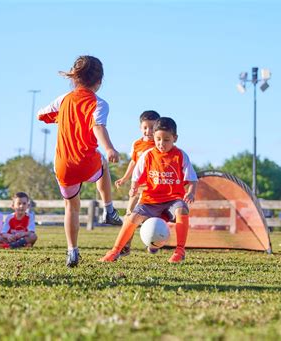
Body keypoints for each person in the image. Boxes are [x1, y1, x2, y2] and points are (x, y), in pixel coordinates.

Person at [37, 55, 122, 267]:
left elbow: (41, 115)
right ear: (100, 81)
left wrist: (60, 117)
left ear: (75, 78)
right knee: (102, 162)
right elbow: (98, 126)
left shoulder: (63, 99)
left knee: (71, 207)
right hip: (86, 161)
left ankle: (72, 252)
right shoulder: (99, 104)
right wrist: (109, 147)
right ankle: (108, 209)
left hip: (64, 165)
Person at [100, 117, 198, 264]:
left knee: (182, 210)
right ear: (154, 137)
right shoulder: (148, 155)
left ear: (175, 138)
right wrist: (133, 187)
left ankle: (180, 251)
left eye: (166, 140)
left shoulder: (181, 156)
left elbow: (192, 179)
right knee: (132, 218)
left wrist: (190, 192)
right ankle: (115, 251)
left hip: (173, 199)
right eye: (158, 139)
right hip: (150, 200)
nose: (161, 143)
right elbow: (136, 175)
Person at [114, 110, 160, 256]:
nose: (149, 131)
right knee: (129, 216)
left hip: (153, 189)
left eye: (152, 127)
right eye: (145, 127)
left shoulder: (160, 145)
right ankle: (126, 246)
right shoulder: (137, 144)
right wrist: (125, 178)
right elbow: (133, 162)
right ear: (141, 127)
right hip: (137, 187)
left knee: (151, 219)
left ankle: (154, 243)